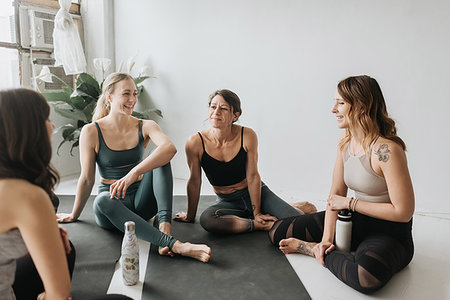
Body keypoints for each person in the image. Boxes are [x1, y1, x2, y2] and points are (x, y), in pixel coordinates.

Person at [269, 75, 415, 294]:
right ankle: (324, 249)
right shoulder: (345, 143)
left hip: (389, 232)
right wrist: (326, 239)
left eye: (341, 103)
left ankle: (309, 250)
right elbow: (335, 193)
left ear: (361, 106)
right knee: (276, 232)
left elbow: (403, 212)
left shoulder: (386, 151)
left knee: (366, 277)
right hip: (352, 223)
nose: (333, 109)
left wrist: (350, 203)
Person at [57, 72, 211, 263]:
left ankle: (165, 228)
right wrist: (74, 214)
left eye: (135, 94)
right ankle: (174, 245)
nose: (132, 100)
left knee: (160, 156)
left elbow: (169, 148)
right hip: (112, 207)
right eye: (126, 94)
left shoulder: (145, 125)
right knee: (102, 200)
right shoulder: (91, 131)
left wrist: (134, 173)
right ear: (109, 96)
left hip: (141, 203)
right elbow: (87, 178)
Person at [174, 89, 316, 234]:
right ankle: (258, 225)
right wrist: (190, 216)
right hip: (228, 201)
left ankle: (285, 209)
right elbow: (194, 181)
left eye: (223, 108)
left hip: (258, 194)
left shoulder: (247, 136)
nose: (216, 112)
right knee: (208, 220)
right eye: (212, 106)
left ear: (235, 115)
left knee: (299, 223)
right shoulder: (195, 142)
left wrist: (257, 212)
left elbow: (253, 176)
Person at [0, 88, 73, 300]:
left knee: (67, 251)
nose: (52, 126)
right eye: (46, 118)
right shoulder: (27, 196)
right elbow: (60, 295)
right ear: (29, 131)